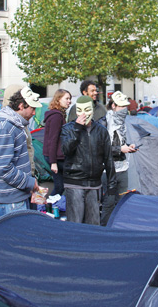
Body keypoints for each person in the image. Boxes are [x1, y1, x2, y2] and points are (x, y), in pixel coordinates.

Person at [61, 96, 117, 225]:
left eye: (87, 110)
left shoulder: (101, 131)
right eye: (80, 110)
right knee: (75, 223)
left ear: (92, 110)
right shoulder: (68, 129)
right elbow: (66, 150)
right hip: (74, 182)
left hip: (94, 184)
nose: (83, 114)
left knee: (93, 224)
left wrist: (112, 185)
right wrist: (77, 128)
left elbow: (108, 157)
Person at [0, 86, 41, 218]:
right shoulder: (6, 127)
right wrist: (29, 182)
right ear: (21, 106)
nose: (34, 113)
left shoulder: (13, 125)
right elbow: (3, 167)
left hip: (16, 197)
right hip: (11, 201)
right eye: (32, 108)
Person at [100, 91, 136, 226]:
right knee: (109, 203)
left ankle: (119, 227)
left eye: (125, 107)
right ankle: (104, 230)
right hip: (108, 170)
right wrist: (120, 149)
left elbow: (121, 142)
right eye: (121, 106)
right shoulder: (103, 123)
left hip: (123, 167)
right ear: (113, 106)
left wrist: (128, 146)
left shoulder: (123, 123)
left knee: (122, 202)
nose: (124, 110)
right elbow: (101, 148)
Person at [43, 89, 72, 196]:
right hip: (55, 157)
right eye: (67, 98)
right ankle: (50, 205)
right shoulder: (56, 116)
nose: (69, 101)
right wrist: (53, 162)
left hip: (55, 156)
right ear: (58, 99)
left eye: (70, 99)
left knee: (59, 186)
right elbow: (53, 140)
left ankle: (51, 206)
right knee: (63, 184)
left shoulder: (58, 115)